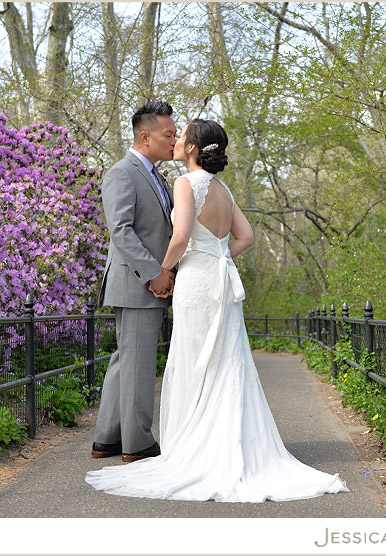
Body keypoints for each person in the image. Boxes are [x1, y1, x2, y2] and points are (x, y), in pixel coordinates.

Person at [86, 119, 348, 502]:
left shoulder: (184, 183)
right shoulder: (222, 188)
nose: (175, 140)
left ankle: (193, 445)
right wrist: (216, 256)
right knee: (224, 359)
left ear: (193, 148)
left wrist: (170, 268)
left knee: (194, 361)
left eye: (181, 136)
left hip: (195, 283)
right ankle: (215, 440)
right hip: (221, 281)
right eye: (170, 134)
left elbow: (178, 237)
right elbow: (247, 237)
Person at [91, 100, 177, 462]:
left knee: (125, 361)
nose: (174, 140)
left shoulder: (157, 176)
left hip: (143, 284)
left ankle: (107, 439)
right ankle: (137, 443)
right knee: (139, 364)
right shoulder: (122, 173)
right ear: (145, 137)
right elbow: (121, 231)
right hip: (137, 285)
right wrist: (154, 273)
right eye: (168, 134)